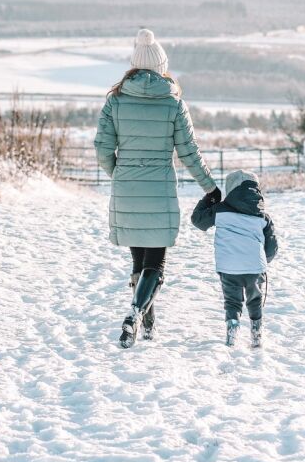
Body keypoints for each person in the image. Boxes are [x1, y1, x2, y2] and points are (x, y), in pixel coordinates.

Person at [94, 28, 219, 348]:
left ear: (134, 65)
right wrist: (211, 187)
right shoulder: (173, 102)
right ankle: (136, 314)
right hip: (160, 189)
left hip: (127, 189)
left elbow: (102, 148)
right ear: (162, 66)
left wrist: (118, 174)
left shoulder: (116, 101)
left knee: (139, 260)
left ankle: (145, 317)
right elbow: (189, 151)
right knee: (156, 264)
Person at [191, 169, 279, 348]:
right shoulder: (262, 216)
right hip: (255, 266)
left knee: (232, 300)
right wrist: (264, 261)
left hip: (228, 265)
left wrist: (209, 198)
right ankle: (256, 332)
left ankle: (232, 327)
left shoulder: (220, 210)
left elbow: (198, 220)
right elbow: (272, 247)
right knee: (254, 299)